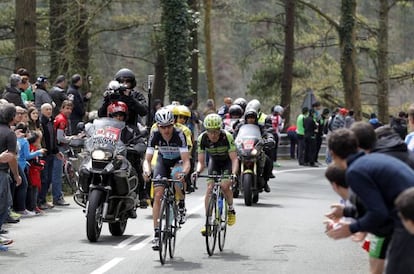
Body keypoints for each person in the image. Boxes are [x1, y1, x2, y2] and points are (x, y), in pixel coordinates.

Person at [326, 128, 414, 274]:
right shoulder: (374, 159)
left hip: (406, 221)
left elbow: (379, 213)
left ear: (332, 153)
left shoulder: (355, 171)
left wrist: (351, 229)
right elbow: (382, 205)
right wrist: (346, 211)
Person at [142, 108, 190, 250]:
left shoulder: (179, 135)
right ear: (158, 126)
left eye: (169, 126)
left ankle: (181, 204)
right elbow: (147, 159)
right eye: (163, 127)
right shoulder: (155, 134)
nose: (166, 130)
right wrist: (146, 170)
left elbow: (186, 161)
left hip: (178, 161)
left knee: (177, 176)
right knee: (157, 194)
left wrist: (184, 173)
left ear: (173, 124)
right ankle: (157, 234)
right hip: (163, 161)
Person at [193, 113, 238, 235]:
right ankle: (208, 222)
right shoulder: (203, 138)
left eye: (216, 131)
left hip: (227, 162)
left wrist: (233, 174)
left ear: (220, 129)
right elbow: (201, 163)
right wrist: (197, 171)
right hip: (214, 162)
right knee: (209, 188)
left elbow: (234, 159)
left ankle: (231, 209)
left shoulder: (227, 137)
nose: (213, 135)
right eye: (210, 131)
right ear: (206, 130)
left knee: (224, 186)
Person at [234, 108, 274, 191]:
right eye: (249, 117)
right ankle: (233, 180)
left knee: (267, 161)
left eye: (252, 117)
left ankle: (265, 181)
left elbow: (267, 133)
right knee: (233, 160)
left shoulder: (260, 127)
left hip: (256, 149)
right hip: (243, 149)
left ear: (255, 118)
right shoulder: (240, 126)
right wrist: (233, 141)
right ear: (246, 118)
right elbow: (234, 135)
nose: (250, 119)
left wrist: (269, 139)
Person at [0, 103, 22, 251]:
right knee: (4, 205)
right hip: (1, 173)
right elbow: (11, 158)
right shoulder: (9, 134)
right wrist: (16, 175)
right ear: (13, 117)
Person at [38, 103, 66, 208]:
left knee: (48, 178)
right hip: (43, 154)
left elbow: (53, 139)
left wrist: (56, 151)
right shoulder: (41, 122)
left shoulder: (51, 121)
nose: (49, 111)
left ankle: (44, 200)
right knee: (44, 178)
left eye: (50, 109)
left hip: (50, 154)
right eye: (46, 109)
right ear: (42, 111)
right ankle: (40, 201)